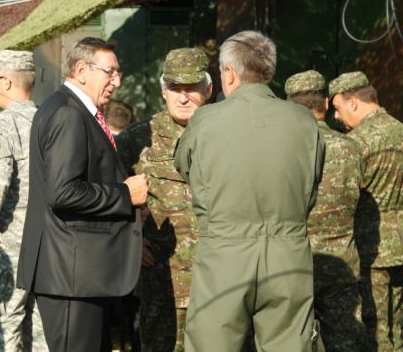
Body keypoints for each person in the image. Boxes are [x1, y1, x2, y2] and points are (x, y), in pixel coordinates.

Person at [174, 30, 325, 352]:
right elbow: (312, 182)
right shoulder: (304, 121)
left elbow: (184, 165)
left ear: (229, 73)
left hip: (224, 252)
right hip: (288, 253)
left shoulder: (206, 120)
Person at [17, 37, 148, 352]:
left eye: (118, 72)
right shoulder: (68, 113)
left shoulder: (75, 110)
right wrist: (125, 195)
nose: (117, 81)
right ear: (81, 70)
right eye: (110, 72)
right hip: (70, 273)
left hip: (80, 272)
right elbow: (63, 192)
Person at [116, 48, 212, 352]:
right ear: (163, 91)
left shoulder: (226, 135)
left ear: (208, 90)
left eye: (191, 88)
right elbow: (109, 195)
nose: (182, 97)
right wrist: (129, 240)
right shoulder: (136, 139)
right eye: (174, 88)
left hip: (218, 279)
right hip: (161, 282)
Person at [0, 50, 48, 351]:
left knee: (3, 323)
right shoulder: (50, 120)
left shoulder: (2, 124)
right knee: (40, 329)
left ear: (5, 81)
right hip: (49, 241)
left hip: (9, 241)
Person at [285, 70, 364, 351]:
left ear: (288, 105)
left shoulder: (280, 148)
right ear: (326, 103)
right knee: (345, 342)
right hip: (341, 262)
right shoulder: (351, 148)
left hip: (292, 262)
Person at [328, 71, 403, 351]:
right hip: (400, 245)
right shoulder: (400, 130)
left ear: (353, 102)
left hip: (371, 248)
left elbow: (343, 197)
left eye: (338, 108)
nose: (336, 116)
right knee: (397, 326)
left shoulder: (356, 144)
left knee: (374, 329)